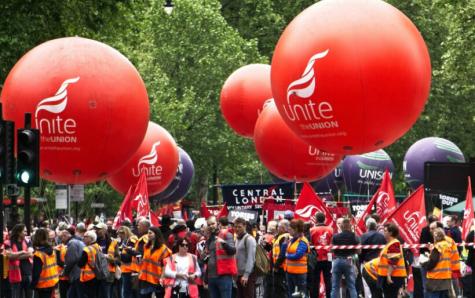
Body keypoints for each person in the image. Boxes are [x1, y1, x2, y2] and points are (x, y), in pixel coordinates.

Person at [205, 216, 237, 298]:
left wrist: (224, 243)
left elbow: (233, 251)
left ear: (218, 224)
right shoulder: (208, 239)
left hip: (224, 276)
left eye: (213, 223)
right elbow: (207, 258)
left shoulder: (227, 235)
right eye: (209, 225)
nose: (211, 226)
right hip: (211, 277)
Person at [138, 226, 171, 298]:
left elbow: (165, 266)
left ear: (156, 234)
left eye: (150, 233)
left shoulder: (164, 249)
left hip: (157, 279)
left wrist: (162, 278)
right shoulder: (146, 246)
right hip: (145, 279)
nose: (148, 235)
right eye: (148, 233)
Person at [330, 218, 359, 298]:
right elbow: (359, 250)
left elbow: (331, 250)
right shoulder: (354, 236)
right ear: (350, 226)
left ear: (342, 226)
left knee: (335, 286)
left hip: (337, 260)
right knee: (351, 286)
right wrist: (353, 252)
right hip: (349, 260)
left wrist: (336, 251)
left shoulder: (335, 237)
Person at [377, 223, 407, 298]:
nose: (383, 232)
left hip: (393, 277)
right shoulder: (390, 243)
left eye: (385, 230)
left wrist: (388, 275)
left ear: (390, 233)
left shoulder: (394, 243)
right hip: (391, 276)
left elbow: (394, 260)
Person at [5, 223, 34, 298]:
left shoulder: (28, 241)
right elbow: (10, 256)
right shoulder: (8, 243)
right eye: (24, 231)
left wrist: (15, 255)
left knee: (29, 295)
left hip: (28, 273)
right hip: (16, 275)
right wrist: (22, 252)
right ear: (18, 232)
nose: (26, 233)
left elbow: (30, 254)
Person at [359, 217, 386, 298]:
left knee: (367, 286)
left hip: (367, 264)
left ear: (367, 226)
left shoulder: (363, 236)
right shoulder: (382, 236)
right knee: (381, 283)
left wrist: (361, 261)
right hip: (380, 263)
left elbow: (361, 251)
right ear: (376, 226)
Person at [309, 212, 333, 298]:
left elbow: (310, 243)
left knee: (315, 280)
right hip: (328, 258)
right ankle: (329, 296)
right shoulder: (331, 229)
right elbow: (332, 243)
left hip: (316, 259)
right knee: (328, 280)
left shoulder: (311, 230)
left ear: (315, 219)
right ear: (324, 219)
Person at [284, 219, 309, 298]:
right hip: (290, 271)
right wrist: (285, 244)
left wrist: (287, 255)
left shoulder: (303, 241)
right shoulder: (292, 240)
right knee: (290, 294)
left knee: (301, 294)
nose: (289, 231)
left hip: (299, 273)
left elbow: (298, 255)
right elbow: (286, 250)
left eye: (290, 229)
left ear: (296, 230)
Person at [31, 228, 59, 298]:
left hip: (43, 285)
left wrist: (32, 285)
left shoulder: (38, 254)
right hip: (52, 282)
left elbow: (36, 272)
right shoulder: (52, 250)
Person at [234, 217, 257, 298]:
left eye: (239, 227)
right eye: (235, 226)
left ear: (245, 226)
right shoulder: (237, 239)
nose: (237, 229)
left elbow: (251, 258)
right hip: (239, 275)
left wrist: (246, 275)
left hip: (248, 276)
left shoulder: (249, 239)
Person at [60, 226, 85, 298]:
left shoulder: (72, 243)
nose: (61, 240)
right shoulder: (79, 241)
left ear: (65, 236)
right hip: (80, 273)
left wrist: (65, 272)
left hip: (76, 274)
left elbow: (71, 260)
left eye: (61, 237)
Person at [78, 230, 101, 298]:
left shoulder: (86, 249)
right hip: (97, 274)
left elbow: (80, 264)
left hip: (88, 277)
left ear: (91, 239)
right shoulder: (98, 246)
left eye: (86, 237)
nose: (83, 238)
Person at [118, 225, 139, 298]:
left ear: (126, 232)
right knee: (127, 292)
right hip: (125, 269)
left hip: (131, 269)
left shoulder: (132, 239)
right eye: (119, 233)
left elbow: (129, 256)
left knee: (129, 292)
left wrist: (120, 256)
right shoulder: (123, 241)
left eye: (122, 233)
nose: (120, 235)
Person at [272, 219, 290, 298]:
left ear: (283, 228)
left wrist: (276, 265)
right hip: (281, 266)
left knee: (280, 290)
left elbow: (282, 254)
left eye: (279, 227)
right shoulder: (280, 237)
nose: (277, 228)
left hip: (281, 267)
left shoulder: (284, 237)